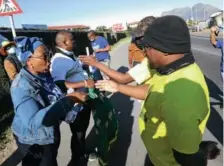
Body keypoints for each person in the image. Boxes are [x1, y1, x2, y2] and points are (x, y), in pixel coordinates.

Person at [95, 16, 220, 166]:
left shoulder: (180, 96)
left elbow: (188, 158)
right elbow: (153, 90)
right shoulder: (169, 70)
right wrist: (118, 87)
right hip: (158, 154)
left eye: (146, 46)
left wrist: (199, 152)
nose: (144, 52)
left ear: (165, 48)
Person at [11, 37, 87, 166]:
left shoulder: (43, 74)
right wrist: (69, 100)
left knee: (51, 160)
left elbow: (53, 94)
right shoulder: (21, 87)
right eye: (44, 57)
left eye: (49, 55)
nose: (49, 61)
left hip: (49, 133)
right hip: (35, 141)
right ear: (29, 61)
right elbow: (33, 122)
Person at [50, 31, 95, 166]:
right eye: (72, 39)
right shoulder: (59, 60)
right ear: (64, 42)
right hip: (75, 103)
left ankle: (81, 150)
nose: (74, 41)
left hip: (83, 99)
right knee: (78, 132)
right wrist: (84, 83)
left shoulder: (68, 55)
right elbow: (59, 84)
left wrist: (83, 68)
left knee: (83, 128)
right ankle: (78, 157)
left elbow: (72, 72)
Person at [80, 16, 156, 85]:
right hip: (98, 59)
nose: (143, 49)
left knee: (106, 74)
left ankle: (109, 82)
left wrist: (96, 62)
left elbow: (124, 79)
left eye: (140, 39)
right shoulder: (147, 62)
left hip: (104, 59)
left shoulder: (151, 61)